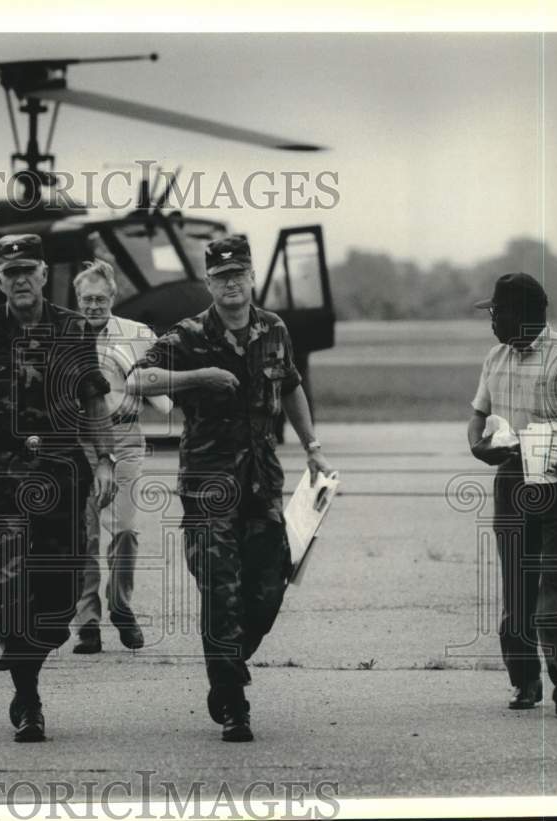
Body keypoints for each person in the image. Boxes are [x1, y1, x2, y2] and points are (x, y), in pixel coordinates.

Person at [127, 234, 333, 742]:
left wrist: (312, 447)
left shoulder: (274, 328)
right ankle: (233, 698)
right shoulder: (189, 333)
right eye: (221, 277)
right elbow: (137, 380)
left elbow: (289, 385)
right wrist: (198, 377)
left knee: (268, 589)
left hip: (262, 485)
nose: (231, 284)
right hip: (207, 489)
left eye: (239, 274)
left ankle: (228, 664)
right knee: (222, 594)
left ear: (251, 276)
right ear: (209, 282)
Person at [0, 234, 117, 743]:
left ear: (44, 274)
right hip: (0, 477)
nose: (20, 280)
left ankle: (26, 651)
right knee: (12, 583)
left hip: (63, 473)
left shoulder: (73, 328)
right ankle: (27, 696)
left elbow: (93, 400)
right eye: (10, 273)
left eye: (29, 270)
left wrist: (105, 459)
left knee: (61, 597)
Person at [467, 272, 557, 716]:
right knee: (516, 584)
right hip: (511, 479)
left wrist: (552, 438)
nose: (493, 322)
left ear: (527, 314)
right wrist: (479, 445)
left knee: (554, 580)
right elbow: (478, 417)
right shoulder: (495, 358)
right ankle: (524, 681)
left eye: (498, 312)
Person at [71, 260, 172, 654]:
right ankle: (87, 623)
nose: (93, 306)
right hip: (79, 441)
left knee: (125, 530)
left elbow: (162, 393)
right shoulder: (63, 335)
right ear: (76, 300)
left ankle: (121, 606)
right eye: (86, 299)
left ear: (113, 297)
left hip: (125, 436)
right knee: (84, 535)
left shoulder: (137, 335)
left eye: (100, 298)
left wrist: (154, 386)